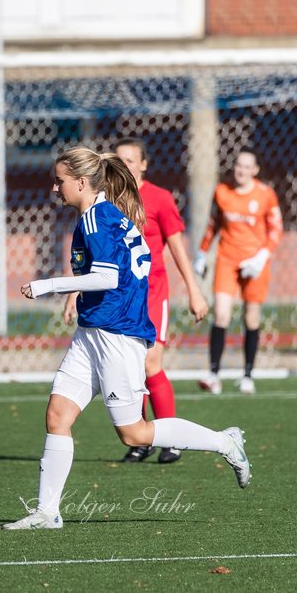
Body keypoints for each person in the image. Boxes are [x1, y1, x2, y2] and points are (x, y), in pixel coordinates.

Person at [6, 147, 250, 530]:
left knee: (134, 433)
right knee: (58, 415)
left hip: (117, 335)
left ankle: (225, 442)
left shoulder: (97, 220)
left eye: (60, 181)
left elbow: (108, 278)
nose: (55, 188)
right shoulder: (102, 214)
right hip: (94, 330)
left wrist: (49, 285)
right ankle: (47, 512)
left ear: (82, 182)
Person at [65, 138, 209, 464]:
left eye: (132, 160)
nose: (126, 165)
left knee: (150, 364)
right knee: (131, 367)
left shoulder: (158, 198)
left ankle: (171, 440)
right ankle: (140, 440)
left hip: (152, 292)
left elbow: (175, 246)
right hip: (118, 299)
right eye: (121, 159)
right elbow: (89, 256)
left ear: (143, 164)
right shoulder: (104, 203)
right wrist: (74, 292)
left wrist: (194, 289)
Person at [192, 147, 282, 395]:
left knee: (251, 318)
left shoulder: (266, 195)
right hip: (227, 261)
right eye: (238, 165)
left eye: (246, 166)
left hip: (255, 264)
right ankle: (213, 375)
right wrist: (201, 254)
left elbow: (276, 229)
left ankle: (248, 375)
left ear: (255, 170)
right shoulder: (222, 192)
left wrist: (261, 257)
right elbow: (213, 225)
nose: (241, 170)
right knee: (221, 315)